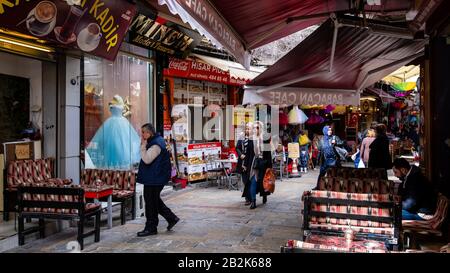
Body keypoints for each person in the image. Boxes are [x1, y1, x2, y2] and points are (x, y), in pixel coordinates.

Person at [137, 123, 179, 236]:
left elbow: (147, 159)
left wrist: (142, 146)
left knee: (150, 202)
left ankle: (151, 228)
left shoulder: (156, 144)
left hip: (155, 178)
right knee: (154, 200)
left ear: (149, 133)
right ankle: (172, 218)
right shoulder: (157, 140)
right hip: (154, 177)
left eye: (143, 132)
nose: (142, 135)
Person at [87, 95, 140, 169]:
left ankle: (120, 168)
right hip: (113, 123)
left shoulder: (120, 105)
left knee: (121, 144)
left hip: (119, 123)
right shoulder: (113, 104)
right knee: (113, 144)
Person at [248, 121, 272, 209]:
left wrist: (269, 166)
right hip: (254, 163)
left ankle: (264, 195)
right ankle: (253, 201)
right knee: (253, 181)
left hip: (264, 162)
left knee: (263, 181)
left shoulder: (265, 139)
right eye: (254, 128)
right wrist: (246, 164)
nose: (255, 129)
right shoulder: (251, 139)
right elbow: (249, 153)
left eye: (257, 128)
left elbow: (268, 153)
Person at [236, 122, 255, 206]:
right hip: (243, 161)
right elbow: (237, 147)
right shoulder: (241, 137)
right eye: (246, 128)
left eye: (249, 128)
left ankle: (251, 197)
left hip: (251, 161)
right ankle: (247, 198)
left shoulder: (254, 138)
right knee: (245, 180)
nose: (247, 130)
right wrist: (241, 155)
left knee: (250, 180)